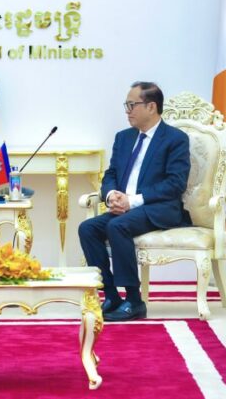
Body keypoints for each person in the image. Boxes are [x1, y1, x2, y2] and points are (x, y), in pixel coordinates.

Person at [78, 81, 191, 322]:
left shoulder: (175, 139)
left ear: (151, 107)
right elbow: (110, 174)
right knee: (87, 228)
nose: (127, 111)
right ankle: (111, 296)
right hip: (124, 208)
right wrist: (111, 195)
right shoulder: (124, 138)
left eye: (132, 105)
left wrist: (133, 201)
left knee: (117, 226)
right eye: (126, 105)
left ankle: (134, 300)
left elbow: (175, 183)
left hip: (158, 208)